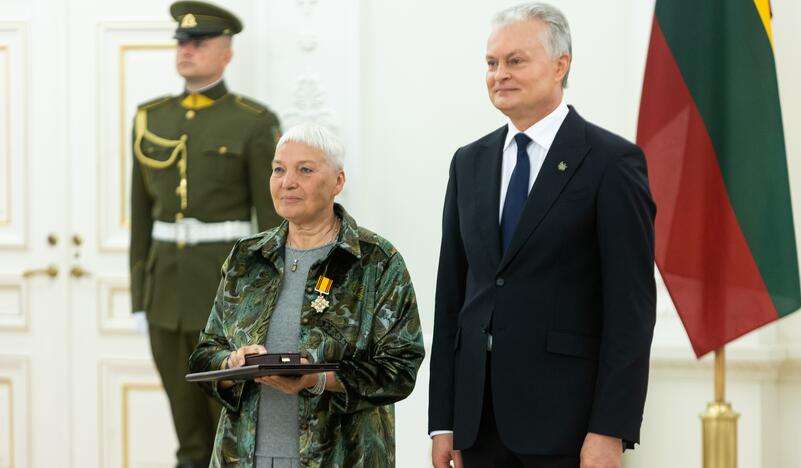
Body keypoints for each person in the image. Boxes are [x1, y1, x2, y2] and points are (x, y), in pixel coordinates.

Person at [428, 3, 656, 468]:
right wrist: (443, 420)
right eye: (491, 63)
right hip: (477, 424)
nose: (499, 75)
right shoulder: (468, 162)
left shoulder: (611, 162)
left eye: (515, 61)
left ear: (560, 65)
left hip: (568, 426)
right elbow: (452, 298)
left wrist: (610, 428)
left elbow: (630, 311)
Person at [188, 122, 425, 467]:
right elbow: (205, 352)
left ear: (338, 182)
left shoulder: (376, 260)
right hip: (244, 455)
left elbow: (400, 369)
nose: (288, 182)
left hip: (343, 456)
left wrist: (317, 380)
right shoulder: (247, 257)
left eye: (305, 170)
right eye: (279, 170)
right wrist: (231, 364)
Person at [129, 2, 282, 466]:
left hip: (225, 298)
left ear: (226, 52)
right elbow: (140, 216)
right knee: (187, 433)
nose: (187, 50)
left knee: (229, 431)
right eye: (182, 42)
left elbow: (271, 224)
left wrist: (266, 304)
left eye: (199, 42)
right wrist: (140, 297)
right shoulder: (149, 117)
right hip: (165, 300)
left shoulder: (253, 122)